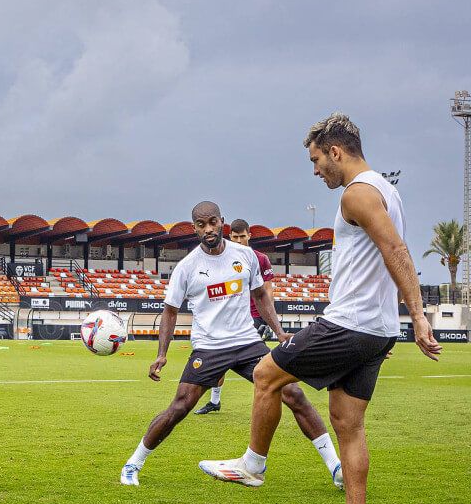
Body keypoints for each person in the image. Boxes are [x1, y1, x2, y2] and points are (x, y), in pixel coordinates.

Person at [200, 113, 441, 504]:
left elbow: (395, 250)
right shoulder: (387, 191)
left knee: (265, 374)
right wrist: (399, 322)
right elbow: (389, 252)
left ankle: (252, 465)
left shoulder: (358, 194)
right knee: (348, 422)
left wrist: (419, 315)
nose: (315, 171)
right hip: (376, 329)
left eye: (316, 160)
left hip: (350, 322)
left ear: (335, 152)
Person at [120, 201, 340, 488]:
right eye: (201, 225)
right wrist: (162, 354)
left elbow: (260, 295)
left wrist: (278, 332)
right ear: (194, 228)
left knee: (293, 394)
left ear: (221, 221)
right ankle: (133, 464)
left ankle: (335, 467)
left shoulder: (245, 255)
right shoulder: (187, 267)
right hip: (210, 346)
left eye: (212, 222)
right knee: (181, 405)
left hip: (247, 342)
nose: (208, 229)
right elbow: (170, 311)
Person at [194, 218, 275, 415]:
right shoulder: (221, 258)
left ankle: (268, 400)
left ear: (249, 236)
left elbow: (267, 290)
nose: (239, 241)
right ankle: (215, 401)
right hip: (227, 318)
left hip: (253, 318)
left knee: (259, 366)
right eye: (235, 237)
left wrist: (269, 321)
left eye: (243, 237)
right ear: (229, 236)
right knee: (220, 360)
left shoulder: (260, 258)